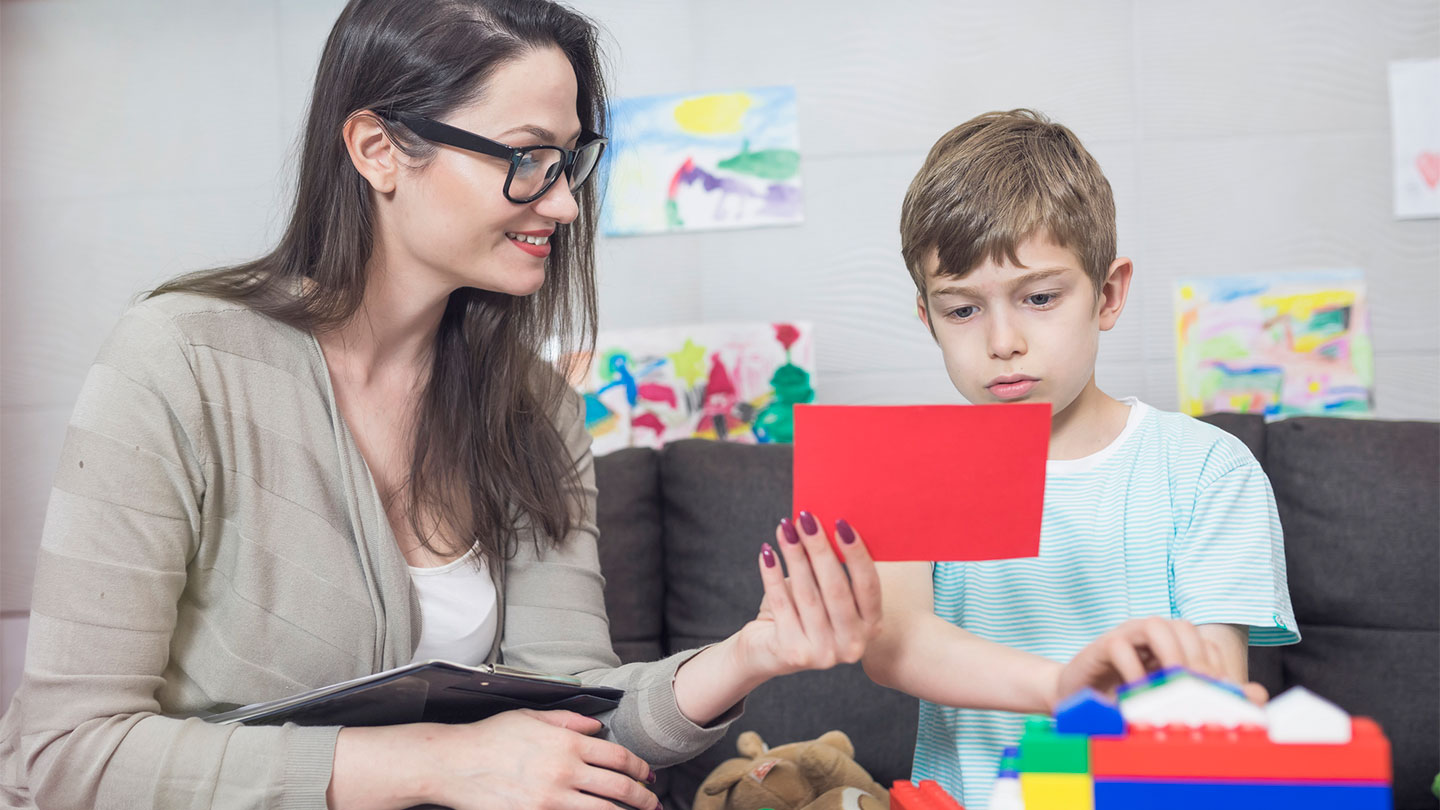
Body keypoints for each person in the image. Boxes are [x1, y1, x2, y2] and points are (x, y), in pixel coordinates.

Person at [0, 2, 886, 808]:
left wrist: (754, 652)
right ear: (378, 149)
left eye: (569, 161)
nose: (566, 203)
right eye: (526, 159)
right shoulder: (183, 361)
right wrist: (435, 763)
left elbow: (573, 720)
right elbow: (68, 752)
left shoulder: (537, 410)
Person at [861, 109, 1299, 809]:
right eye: (962, 310)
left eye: (1038, 298)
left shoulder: (1209, 469)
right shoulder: (916, 465)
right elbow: (896, 645)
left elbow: (1208, 690)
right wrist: (1069, 686)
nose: (1003, 341)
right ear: (926, 317)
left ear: (1109, 293)